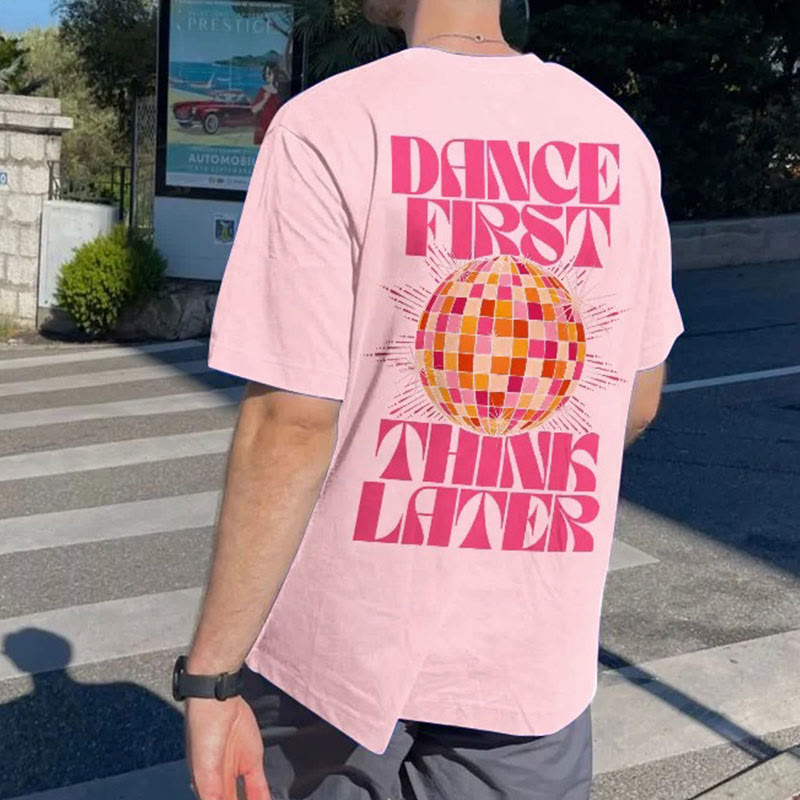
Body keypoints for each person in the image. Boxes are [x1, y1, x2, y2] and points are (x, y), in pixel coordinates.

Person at [174, 1, 685, 798]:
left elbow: (289, 424)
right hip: (528, 662)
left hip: (335, 657)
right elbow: (639, 396)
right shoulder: (619, 140)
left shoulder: (330, 126)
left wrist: (211, 679)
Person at [250, 62, 285, 145]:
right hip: (265, 128)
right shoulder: (264, 90)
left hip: (278, 128)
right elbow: (254, 110)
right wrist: (265, 100)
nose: (267, 76)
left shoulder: (283, 91)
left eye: (270, 73)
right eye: (266, 73)